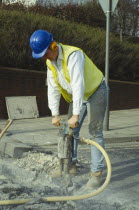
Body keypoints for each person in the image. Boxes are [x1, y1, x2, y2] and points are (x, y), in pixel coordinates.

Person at [30, 29, 107, 188]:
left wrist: (76, 115)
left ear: (53, 46)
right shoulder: (49, 62)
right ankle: (68, 167)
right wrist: (55, 114)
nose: (44, 57)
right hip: (78, 96)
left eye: (45, 53)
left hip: (96, 90)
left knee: (95, 131)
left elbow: (78, 84)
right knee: (68, 130)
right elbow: (53, 88)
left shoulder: (73, 55)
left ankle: (96, 173)